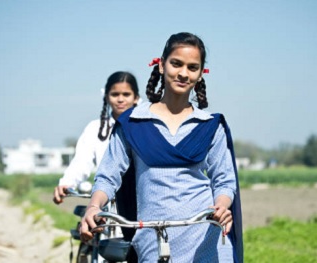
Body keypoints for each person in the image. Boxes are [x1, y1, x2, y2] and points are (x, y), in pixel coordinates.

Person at [79, 32, 243, 263]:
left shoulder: (211, 125)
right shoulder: (132, 122)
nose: (183, 73)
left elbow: (224, 180)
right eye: (176, 64)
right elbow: (108, 176)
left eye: (192, 67)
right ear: (161, 65)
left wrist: (222, 206)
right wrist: (94, 206)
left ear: (200, 74)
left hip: (205, 236)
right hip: (152, 238)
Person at [53, 71, 139, 204]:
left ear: (136, 98)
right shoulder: (95, 128)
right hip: (105, 201)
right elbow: (81, 161)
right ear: (106, 97)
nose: (120, 99)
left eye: (126, 94)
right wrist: (67, 183)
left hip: (141, 201)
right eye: (115, 94)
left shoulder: (146, 126)